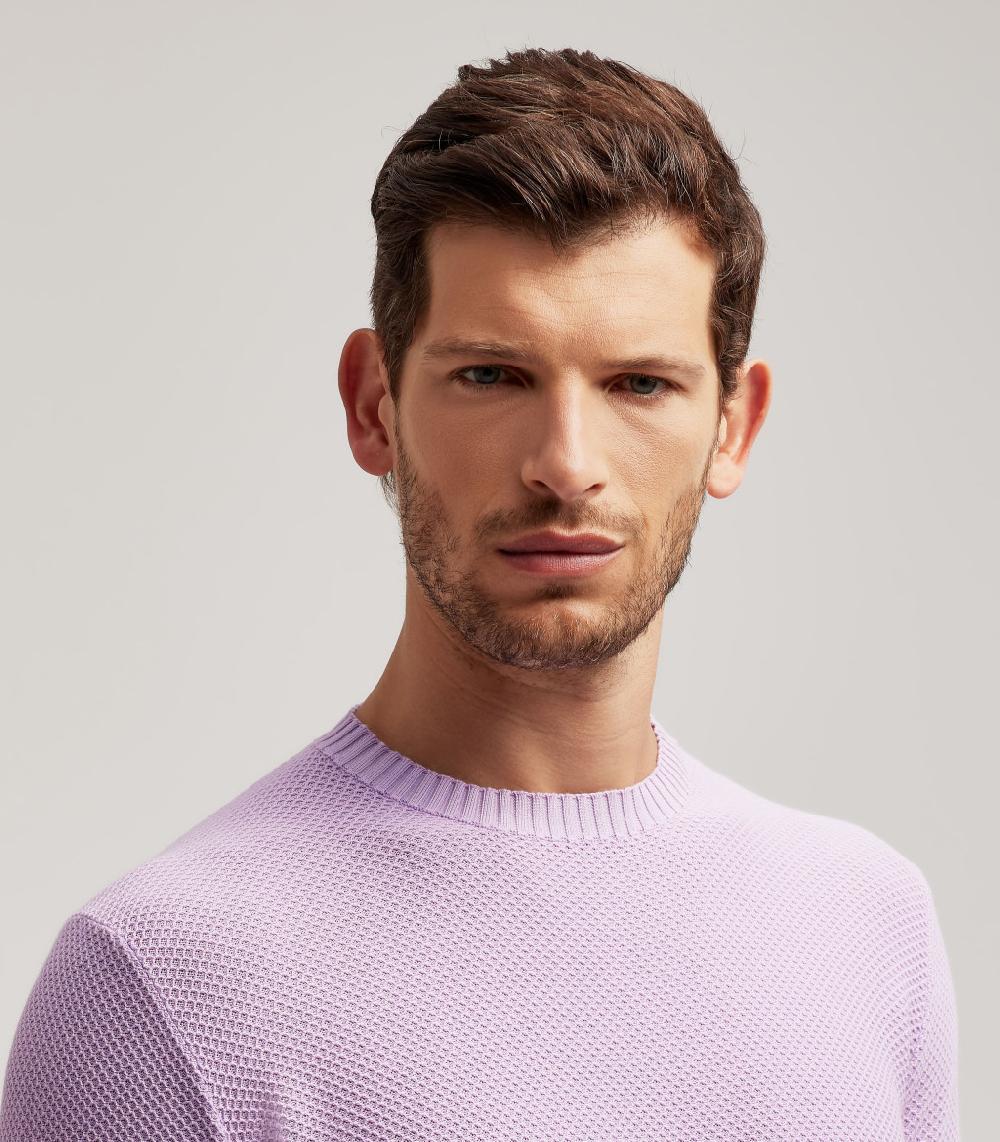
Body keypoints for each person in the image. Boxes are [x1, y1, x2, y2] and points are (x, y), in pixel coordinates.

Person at [0, 46, 958, 1141]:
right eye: (492, 375)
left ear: (733, 427)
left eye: (639, 383)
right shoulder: (162, 985)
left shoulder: (866, 927)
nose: (565, 464)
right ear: (373, 405)